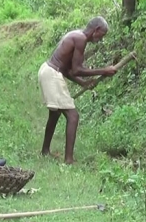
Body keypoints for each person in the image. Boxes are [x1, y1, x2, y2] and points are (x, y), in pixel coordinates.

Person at [38, 16, 117, 164]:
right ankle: (69, 159)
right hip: (52, 74)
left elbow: (68, 70)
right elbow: (77, 69)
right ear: (96, 30)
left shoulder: (76, 35)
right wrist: (103, 71)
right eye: (102, 35)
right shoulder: (80, 39)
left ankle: (45, 151)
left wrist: (83, 83)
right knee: (73, 116)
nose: (101, 39)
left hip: (47, 70)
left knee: (55, 115)